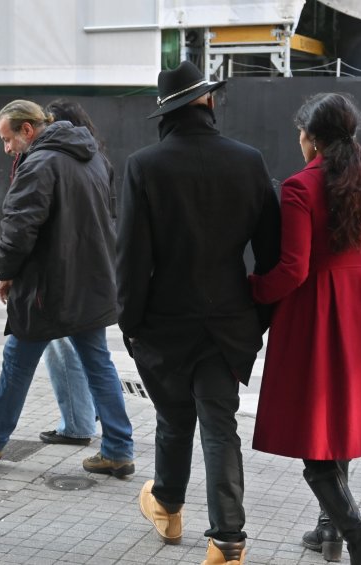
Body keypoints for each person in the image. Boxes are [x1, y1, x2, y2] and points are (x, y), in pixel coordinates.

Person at [116, 61, 280, 565]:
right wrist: (257, 317)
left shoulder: (145, 166)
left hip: (164, 321)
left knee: (172, 416)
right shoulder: (248, 161)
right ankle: (228, 541)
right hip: (228, 321)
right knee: (219, 423)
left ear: (166, 112)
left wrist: (131, 322)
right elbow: (273, 253)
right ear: (207, 102)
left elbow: (132, 257)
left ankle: (167, 506)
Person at [0, 99, 135, 477]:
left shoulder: (41, 163)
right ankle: (118, 449)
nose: (6, 148)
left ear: (27, 130)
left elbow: (18, 227)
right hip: (90, 284)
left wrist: (6, 273)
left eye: (7, 138)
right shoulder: (94, 159)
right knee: (99, 366)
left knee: (17, 360)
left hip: (49, 289)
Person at [249, 92, 361, 565]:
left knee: (316, 437)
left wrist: (251, 289)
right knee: (341, 424)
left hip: (315, 310)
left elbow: (293, 268)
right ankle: (328, 531)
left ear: (311, 138)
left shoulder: (298, 187)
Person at [35, 99, 111, 447]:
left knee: (63, 350)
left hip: (67, 270)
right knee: (92, 354)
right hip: (96, 268)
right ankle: (100, 424)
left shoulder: (56, 161)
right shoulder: (97, 159)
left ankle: (78, 423)